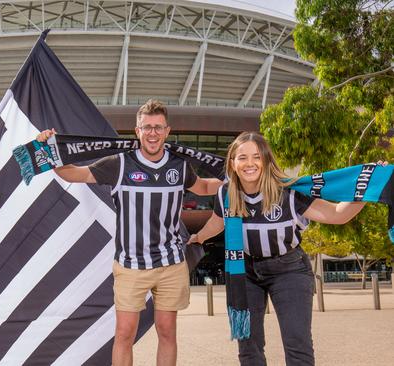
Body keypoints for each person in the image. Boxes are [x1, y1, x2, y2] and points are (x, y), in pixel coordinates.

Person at [36, 99, 222, 366]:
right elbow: (73, 174)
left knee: (167, 332)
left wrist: (236, 180)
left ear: (167, 131)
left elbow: (203, 187)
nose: (153, 133)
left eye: (158, 127)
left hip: (171, 263)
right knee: (124, 334)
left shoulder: (179, 165)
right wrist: (50, 150)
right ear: (137, 131)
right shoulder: (120, 164)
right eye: (147, 127)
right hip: (131, 264)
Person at [189, 132, 367, 366]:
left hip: (289, 270)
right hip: (246, 272)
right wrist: (199, 236)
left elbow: (336, 214)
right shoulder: (226, 193)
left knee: (297, 345)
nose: (249, 163)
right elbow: (217, 221)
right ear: (232, 163)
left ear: (266, 160)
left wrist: (368, 189)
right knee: (248, 347)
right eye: (242, 157)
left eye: (256, 157)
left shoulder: (289, 192)